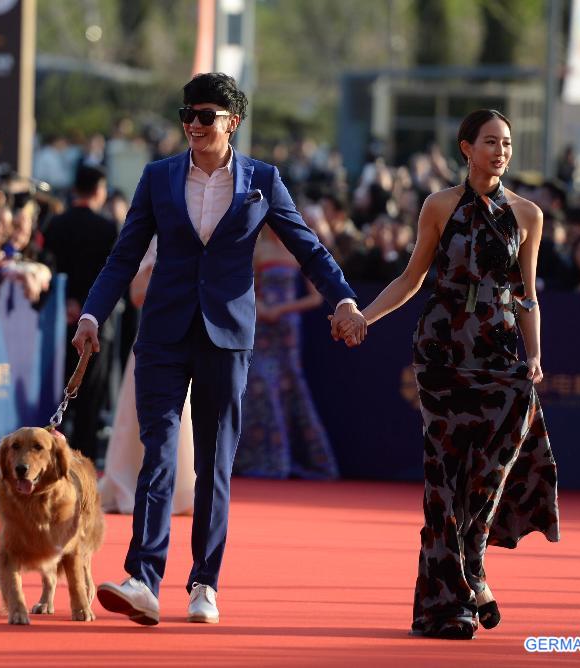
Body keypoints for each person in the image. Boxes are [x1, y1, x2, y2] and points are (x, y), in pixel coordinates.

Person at [71, 73, 364, 626]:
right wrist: (92, 314)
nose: (194, 125)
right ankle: (143, 579)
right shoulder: (157, 177)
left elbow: (308, 247)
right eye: (188, 114)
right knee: (157, 451)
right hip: (161, 334)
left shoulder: (264, 180)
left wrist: (344, 300)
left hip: (226, 336)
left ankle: (204, 582)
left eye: (206, 115)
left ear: (233, 121)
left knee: (213, 463)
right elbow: (124, 254)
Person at [338, 109, 560, 639]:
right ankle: (444, 605)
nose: (501, 151)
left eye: (506, 143)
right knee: (444, 477)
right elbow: (413, 277)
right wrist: (363, 316)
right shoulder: (440, 205)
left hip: (503, 354)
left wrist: (534, 356)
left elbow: (527, 295)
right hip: (442, 352)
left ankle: (474, 565)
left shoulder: (528, 215)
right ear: (466, 148)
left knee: (490, 474)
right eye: (490, 142)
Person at [99, 238, 196, 516]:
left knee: (184, 417)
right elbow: (136, 294)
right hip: (154, 335)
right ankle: (133, 485)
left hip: (192, 334)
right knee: (137, 416)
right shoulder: (156, 239)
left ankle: (181, 490)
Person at [233, 226, 339, 480]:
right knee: (259, 385)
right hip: (261, 325)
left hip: (287, 328)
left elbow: (315, 298)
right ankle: (261, 459)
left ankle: (290, 459)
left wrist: (282, 309)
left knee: (288, 386)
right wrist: (262, 308)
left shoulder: (297, 248)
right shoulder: (259, 249)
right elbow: (246, 288)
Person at [42, 165, 118, 462]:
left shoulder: (55, 224)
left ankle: (52, 461)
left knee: (57, 395)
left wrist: (67, 300)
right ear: (99, 191)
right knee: (90, 398)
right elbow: (113, 273)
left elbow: (48, 265)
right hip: (97, 323)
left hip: (58, 320)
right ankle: (82, 464)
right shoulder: (107, 226)